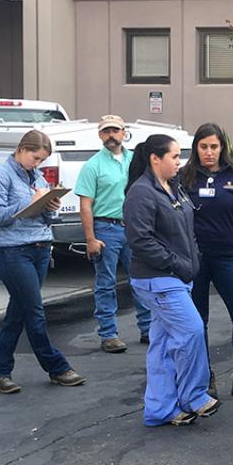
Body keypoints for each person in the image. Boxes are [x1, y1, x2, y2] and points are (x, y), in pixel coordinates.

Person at [124, 133, 220, 426]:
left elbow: (185, 230)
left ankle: (160, 409)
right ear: (156, 159)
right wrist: (177, 264)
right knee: (191, 329)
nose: (180, 162)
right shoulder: (141, 193)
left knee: (163, 345)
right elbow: (140, 240)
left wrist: (191, 261)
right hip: (158, 279)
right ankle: (194, 395)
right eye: (175, 157)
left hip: (175, 277)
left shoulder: (173, 188)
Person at [0, 130, 86, 394]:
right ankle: (56, 366)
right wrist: (28, 203)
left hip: (41, 247)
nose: (37, 164)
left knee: (18, 313)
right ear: (22, 149)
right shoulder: (1, 175)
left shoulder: (37, 177)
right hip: (14, 251)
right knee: (34, 312)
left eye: (41, 160)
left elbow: (44, 218)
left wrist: (49, 208)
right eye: (35, 157)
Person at [179, 123, 233, 400]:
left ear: (222, 148)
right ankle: (205, 377)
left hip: (228, 257)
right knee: (198, 321)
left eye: (214, 146)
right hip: (196, 260)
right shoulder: (185, 177)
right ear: (196, 148)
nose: (209, 152)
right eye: (203, 146)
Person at [75, 114, 150, 353]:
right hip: (106, 228)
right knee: (106, 284)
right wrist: (90, 238)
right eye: (106, 131)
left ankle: (148, 329)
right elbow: (85, 205)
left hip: (134, 227)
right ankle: (108, 334)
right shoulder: (92, 166)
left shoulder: (135, 161)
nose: (111, 135)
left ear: (123, 132)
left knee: (141, 280)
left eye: (115, 131)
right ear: (100, 135)